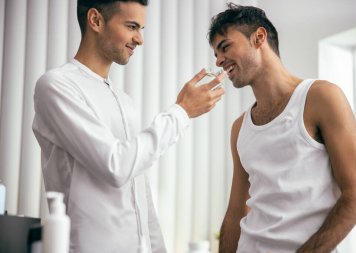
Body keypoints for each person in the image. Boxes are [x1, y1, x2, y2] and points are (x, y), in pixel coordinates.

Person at [32, 0, 225, 252]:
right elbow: (115, 165)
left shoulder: (125, 102)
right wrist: (182, 111)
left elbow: (141, 197)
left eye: (141, 28)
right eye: (132, 26)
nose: (140, 39)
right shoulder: (56, 86)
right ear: (96, 20)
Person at [208, 3, 356, 253]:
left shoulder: (322, 97)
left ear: (259, 37)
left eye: (225, 47)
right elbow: (235, 213)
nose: (218, 61)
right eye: (216, 54)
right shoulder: (239, 128)